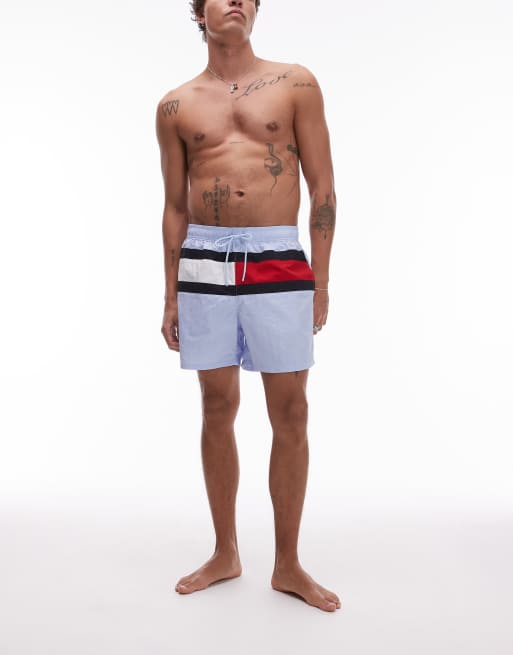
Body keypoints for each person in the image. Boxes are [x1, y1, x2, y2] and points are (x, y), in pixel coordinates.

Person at [156, 0, 340, 612]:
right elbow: (174, 205)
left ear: (256, 9)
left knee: (291, 411)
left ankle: (288, 564)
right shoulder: (175, 105)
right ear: (198, 11)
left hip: (277, 257)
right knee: (216, 406)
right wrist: (170, 293)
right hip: (204, 260)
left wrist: (319, 280)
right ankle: (225, 552)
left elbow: (323, 185)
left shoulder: (295, 83)